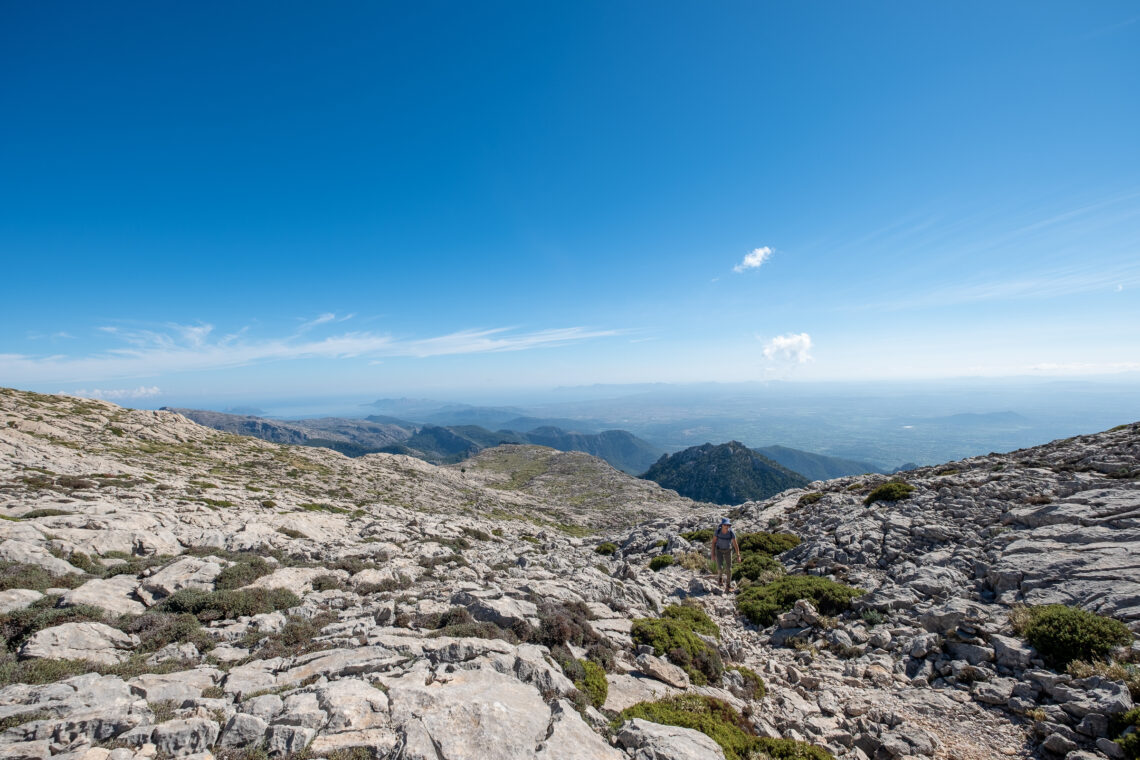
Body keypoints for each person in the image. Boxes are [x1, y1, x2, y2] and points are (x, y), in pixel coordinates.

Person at [710, 517, 741, 593]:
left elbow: (735, 544)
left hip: (728, 550)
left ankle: (728, 585)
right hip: (719, 550)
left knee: (729, 569)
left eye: (728, 525)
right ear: (722, 525)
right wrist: (712, 555)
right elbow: (713, 542)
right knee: (720, 567)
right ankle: (720, 578)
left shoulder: (731, 532)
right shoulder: (717, 532)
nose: (727, 527)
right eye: (725, 525)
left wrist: (738, 555)